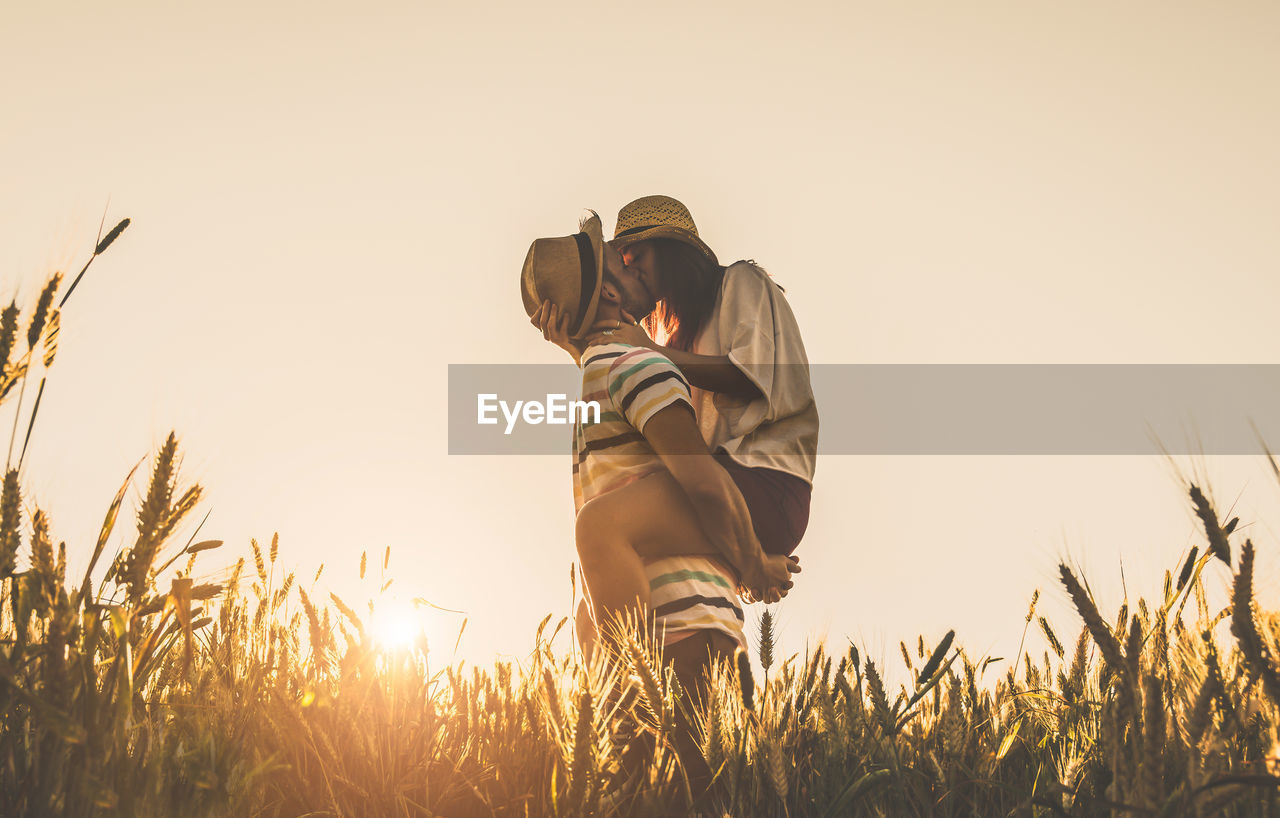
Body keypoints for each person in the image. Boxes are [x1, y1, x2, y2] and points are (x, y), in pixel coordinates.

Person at [521, 212, 799, 640]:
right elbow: (632, 391)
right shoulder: (663, 345)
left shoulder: (738, 283)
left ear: (672, 252)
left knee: (600, 527)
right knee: (586, 609)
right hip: (726, 485)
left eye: (635, 255)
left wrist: (754, 563)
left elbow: (753, 376)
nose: (630, 266)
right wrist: (584, 349)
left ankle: (631, 682)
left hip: (762, 479)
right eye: (621, 260)